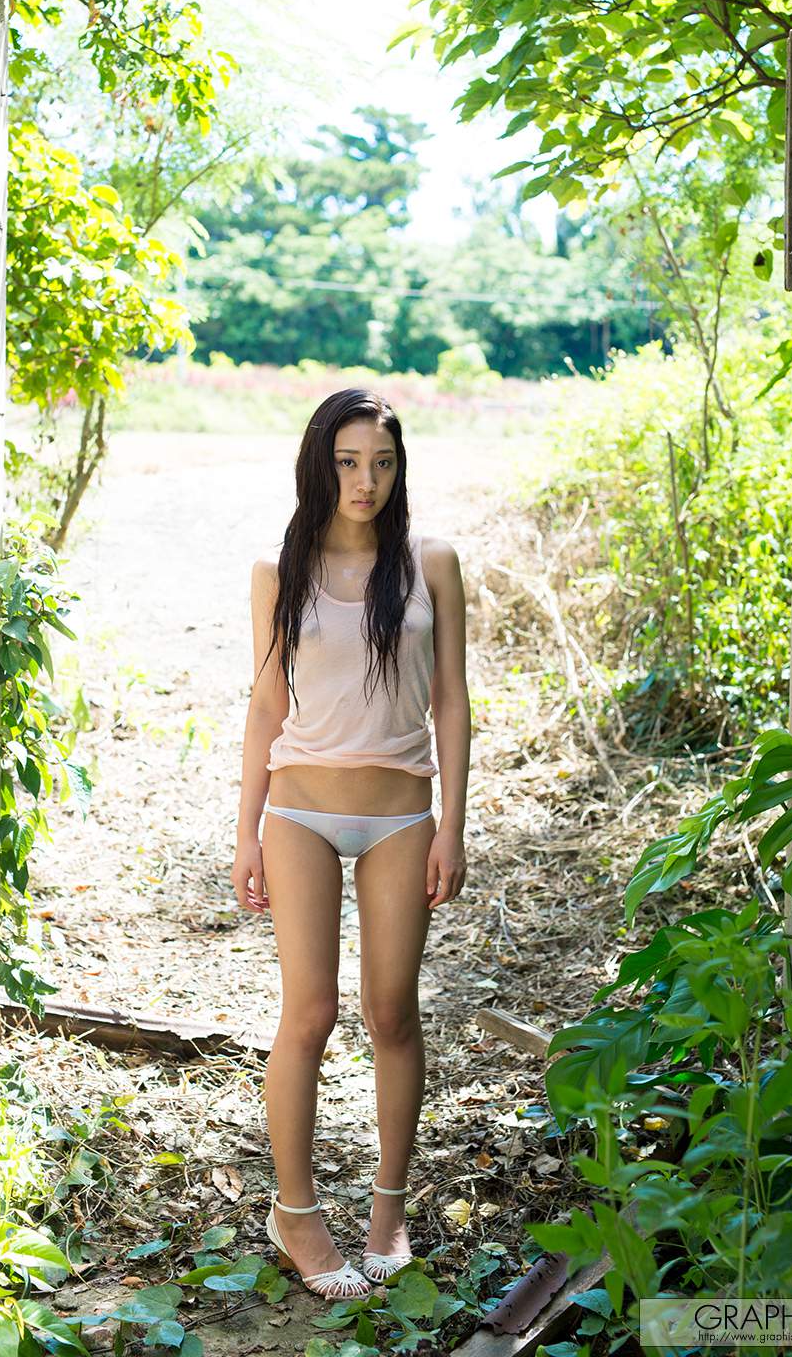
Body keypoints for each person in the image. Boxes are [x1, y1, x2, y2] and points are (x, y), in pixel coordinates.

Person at [232, 388, 471, 1301]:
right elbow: (266, 704)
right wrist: (246, 831)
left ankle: (387, 1211)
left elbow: (451, 700)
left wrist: (453, 824)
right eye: (346, 462)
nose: (364, 481)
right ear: (318, 464)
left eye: (381, 462)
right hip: (299, 811)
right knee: (309, 1016)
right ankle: (294, 1214)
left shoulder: (430, 563)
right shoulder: (277, 570)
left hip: (401, 818)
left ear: (399, 467)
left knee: (391, 1015)